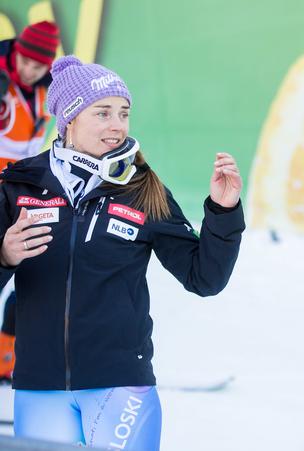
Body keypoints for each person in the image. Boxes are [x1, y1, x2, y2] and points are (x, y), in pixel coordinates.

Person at [0, 55, 245, 450]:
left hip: (119, 389)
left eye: (123, 113)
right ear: (69, 120)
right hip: (39, 388)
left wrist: (223, 211)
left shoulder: (142, 189)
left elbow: (205, 278)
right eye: (102, 113)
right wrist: (5, 256)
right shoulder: (19, 184)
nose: (117, 125)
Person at [0, 20, 61, 381]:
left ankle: (7, 354)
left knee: (31, 272)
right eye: (24, 61)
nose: (28, 70)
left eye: (38, 66)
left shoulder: (47, 88)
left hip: (24, 191)